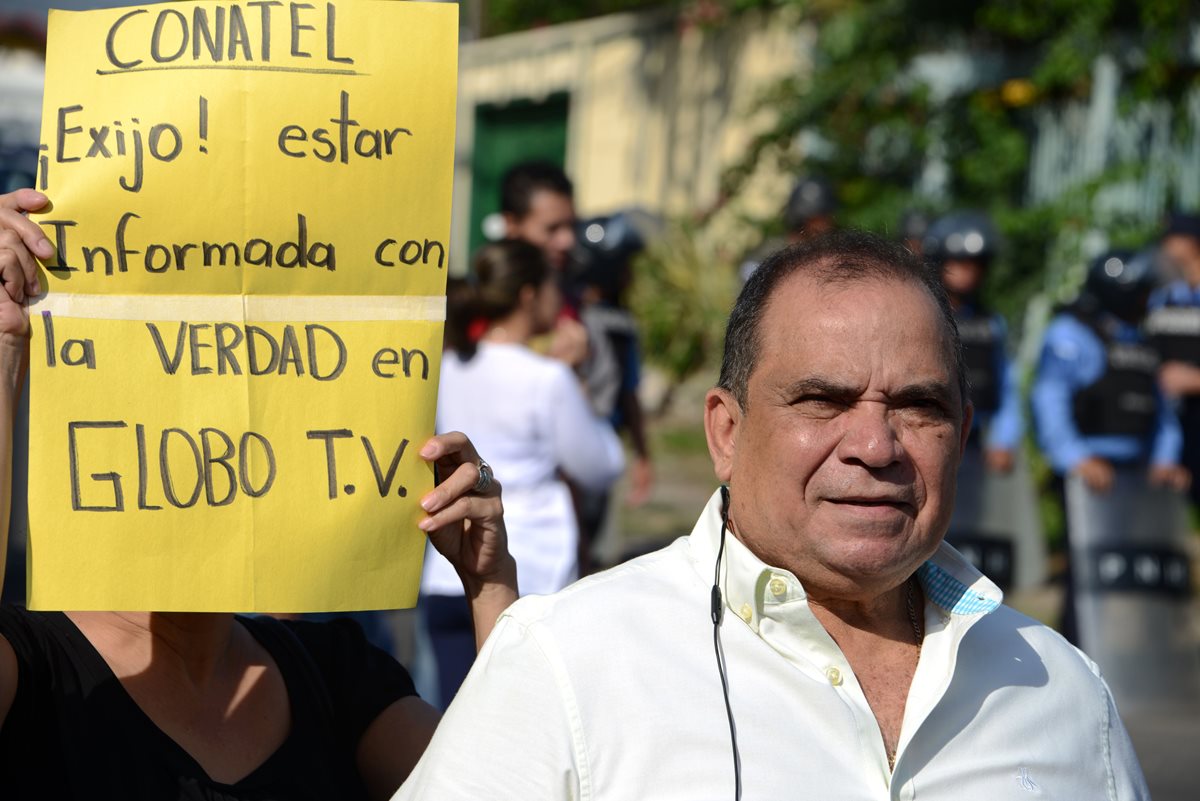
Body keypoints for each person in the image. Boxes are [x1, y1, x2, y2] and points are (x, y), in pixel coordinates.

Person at [396, 231, 1149, 799]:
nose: (874, 445)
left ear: (964, 433)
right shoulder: (565, 663)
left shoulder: (1063, 687)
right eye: (822, 399)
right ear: (726, 431)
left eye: (920, 407)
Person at [0, 189, 519, 800]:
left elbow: (500, 786)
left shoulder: (337, 676)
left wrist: (491, 593)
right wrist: (8, 346)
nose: (219, 464)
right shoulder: (34, 670)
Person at [420, 239, 624, 708]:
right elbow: (601, 465)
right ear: (530, 294)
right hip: (527, 571)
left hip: (445, 572)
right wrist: (575, 376)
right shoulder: (546, 377)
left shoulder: (448, 367)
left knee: (448, 727)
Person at [1031, 248, 1188, 642]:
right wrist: (1076, 458)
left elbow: (1162, 410)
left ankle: (1150, 659)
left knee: (1147, 572)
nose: (1146, 302)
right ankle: (1076, 651)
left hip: (1139, 479)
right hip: (1089, 478)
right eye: (1140, 293)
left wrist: (1166, 458)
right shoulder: (1074, 333)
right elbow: (1050, 401)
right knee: (1087, 575)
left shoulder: (1141, 336)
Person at [923, 212, 1022, 473]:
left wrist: (1003, 439)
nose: (970, 272)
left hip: (974, 444)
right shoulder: (921, 316)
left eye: (977, 264)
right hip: (923, 439)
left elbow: (1008, 385)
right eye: (961, 262)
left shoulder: (991, 323)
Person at [1146, 214, 1200, 506]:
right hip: (1166, 424)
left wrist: (1193, 381)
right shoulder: (1162, 296)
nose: (1164, 247)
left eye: (1172, 238)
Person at [738, 175, 837, 283]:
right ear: (803, 219)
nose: (827, 223)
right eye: (820, 218)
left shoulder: (825, 255)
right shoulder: (768, 254)